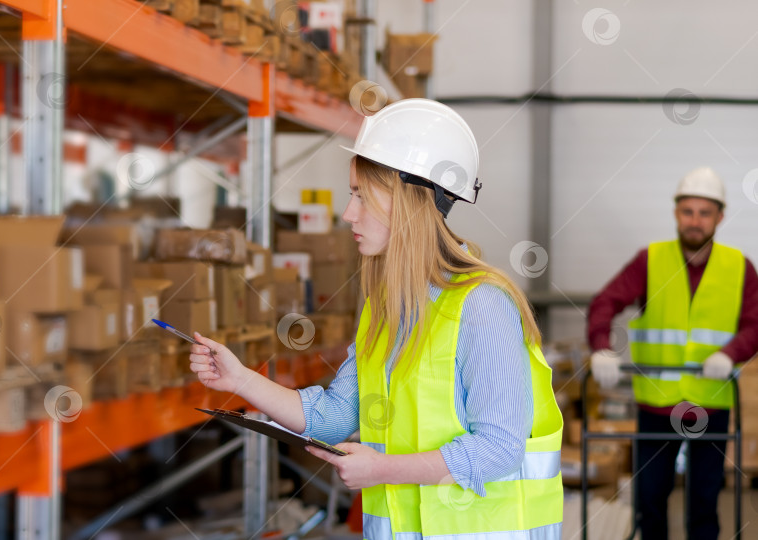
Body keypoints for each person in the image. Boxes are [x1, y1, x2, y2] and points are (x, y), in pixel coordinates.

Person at [190, 99, 563, 539]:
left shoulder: (481, 305)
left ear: (408, 200)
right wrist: (240, 381)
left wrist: (382, 468)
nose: (349, 213)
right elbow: (334, 416)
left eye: (361, 195)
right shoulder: (387, 308)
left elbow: (499, 448)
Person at [588, 166, 758, 540]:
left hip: (708, 406)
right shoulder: (650, 260)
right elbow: (604, 303)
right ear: (676, 213)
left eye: (704, 212)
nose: (695, 221)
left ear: (720, 216)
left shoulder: (739, 267)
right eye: (687, 211)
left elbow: (754, 324)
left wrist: (730, 354)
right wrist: (601, 348)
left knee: (704, 503)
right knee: (650, 501)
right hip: (656, 405)